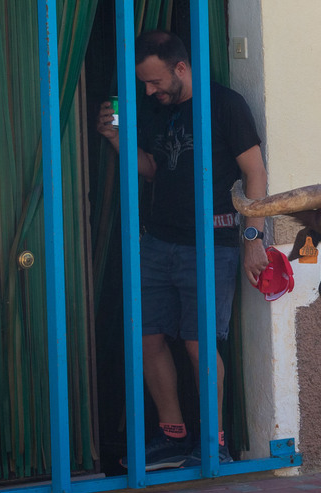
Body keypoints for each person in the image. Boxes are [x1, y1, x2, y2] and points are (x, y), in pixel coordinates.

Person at [97, 30, 268, 470]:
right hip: (158, 242)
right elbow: (153, 170)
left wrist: (253, 240)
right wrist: (117, 140)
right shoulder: (161, 111)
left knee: (198, 343)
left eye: (155, 82)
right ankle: (173, 436)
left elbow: (255, 175)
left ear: (181, 68)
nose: (150, 91)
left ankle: (214, 444)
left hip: (211, 243)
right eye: (144, 85)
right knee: (147, 336)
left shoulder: (226, 105)